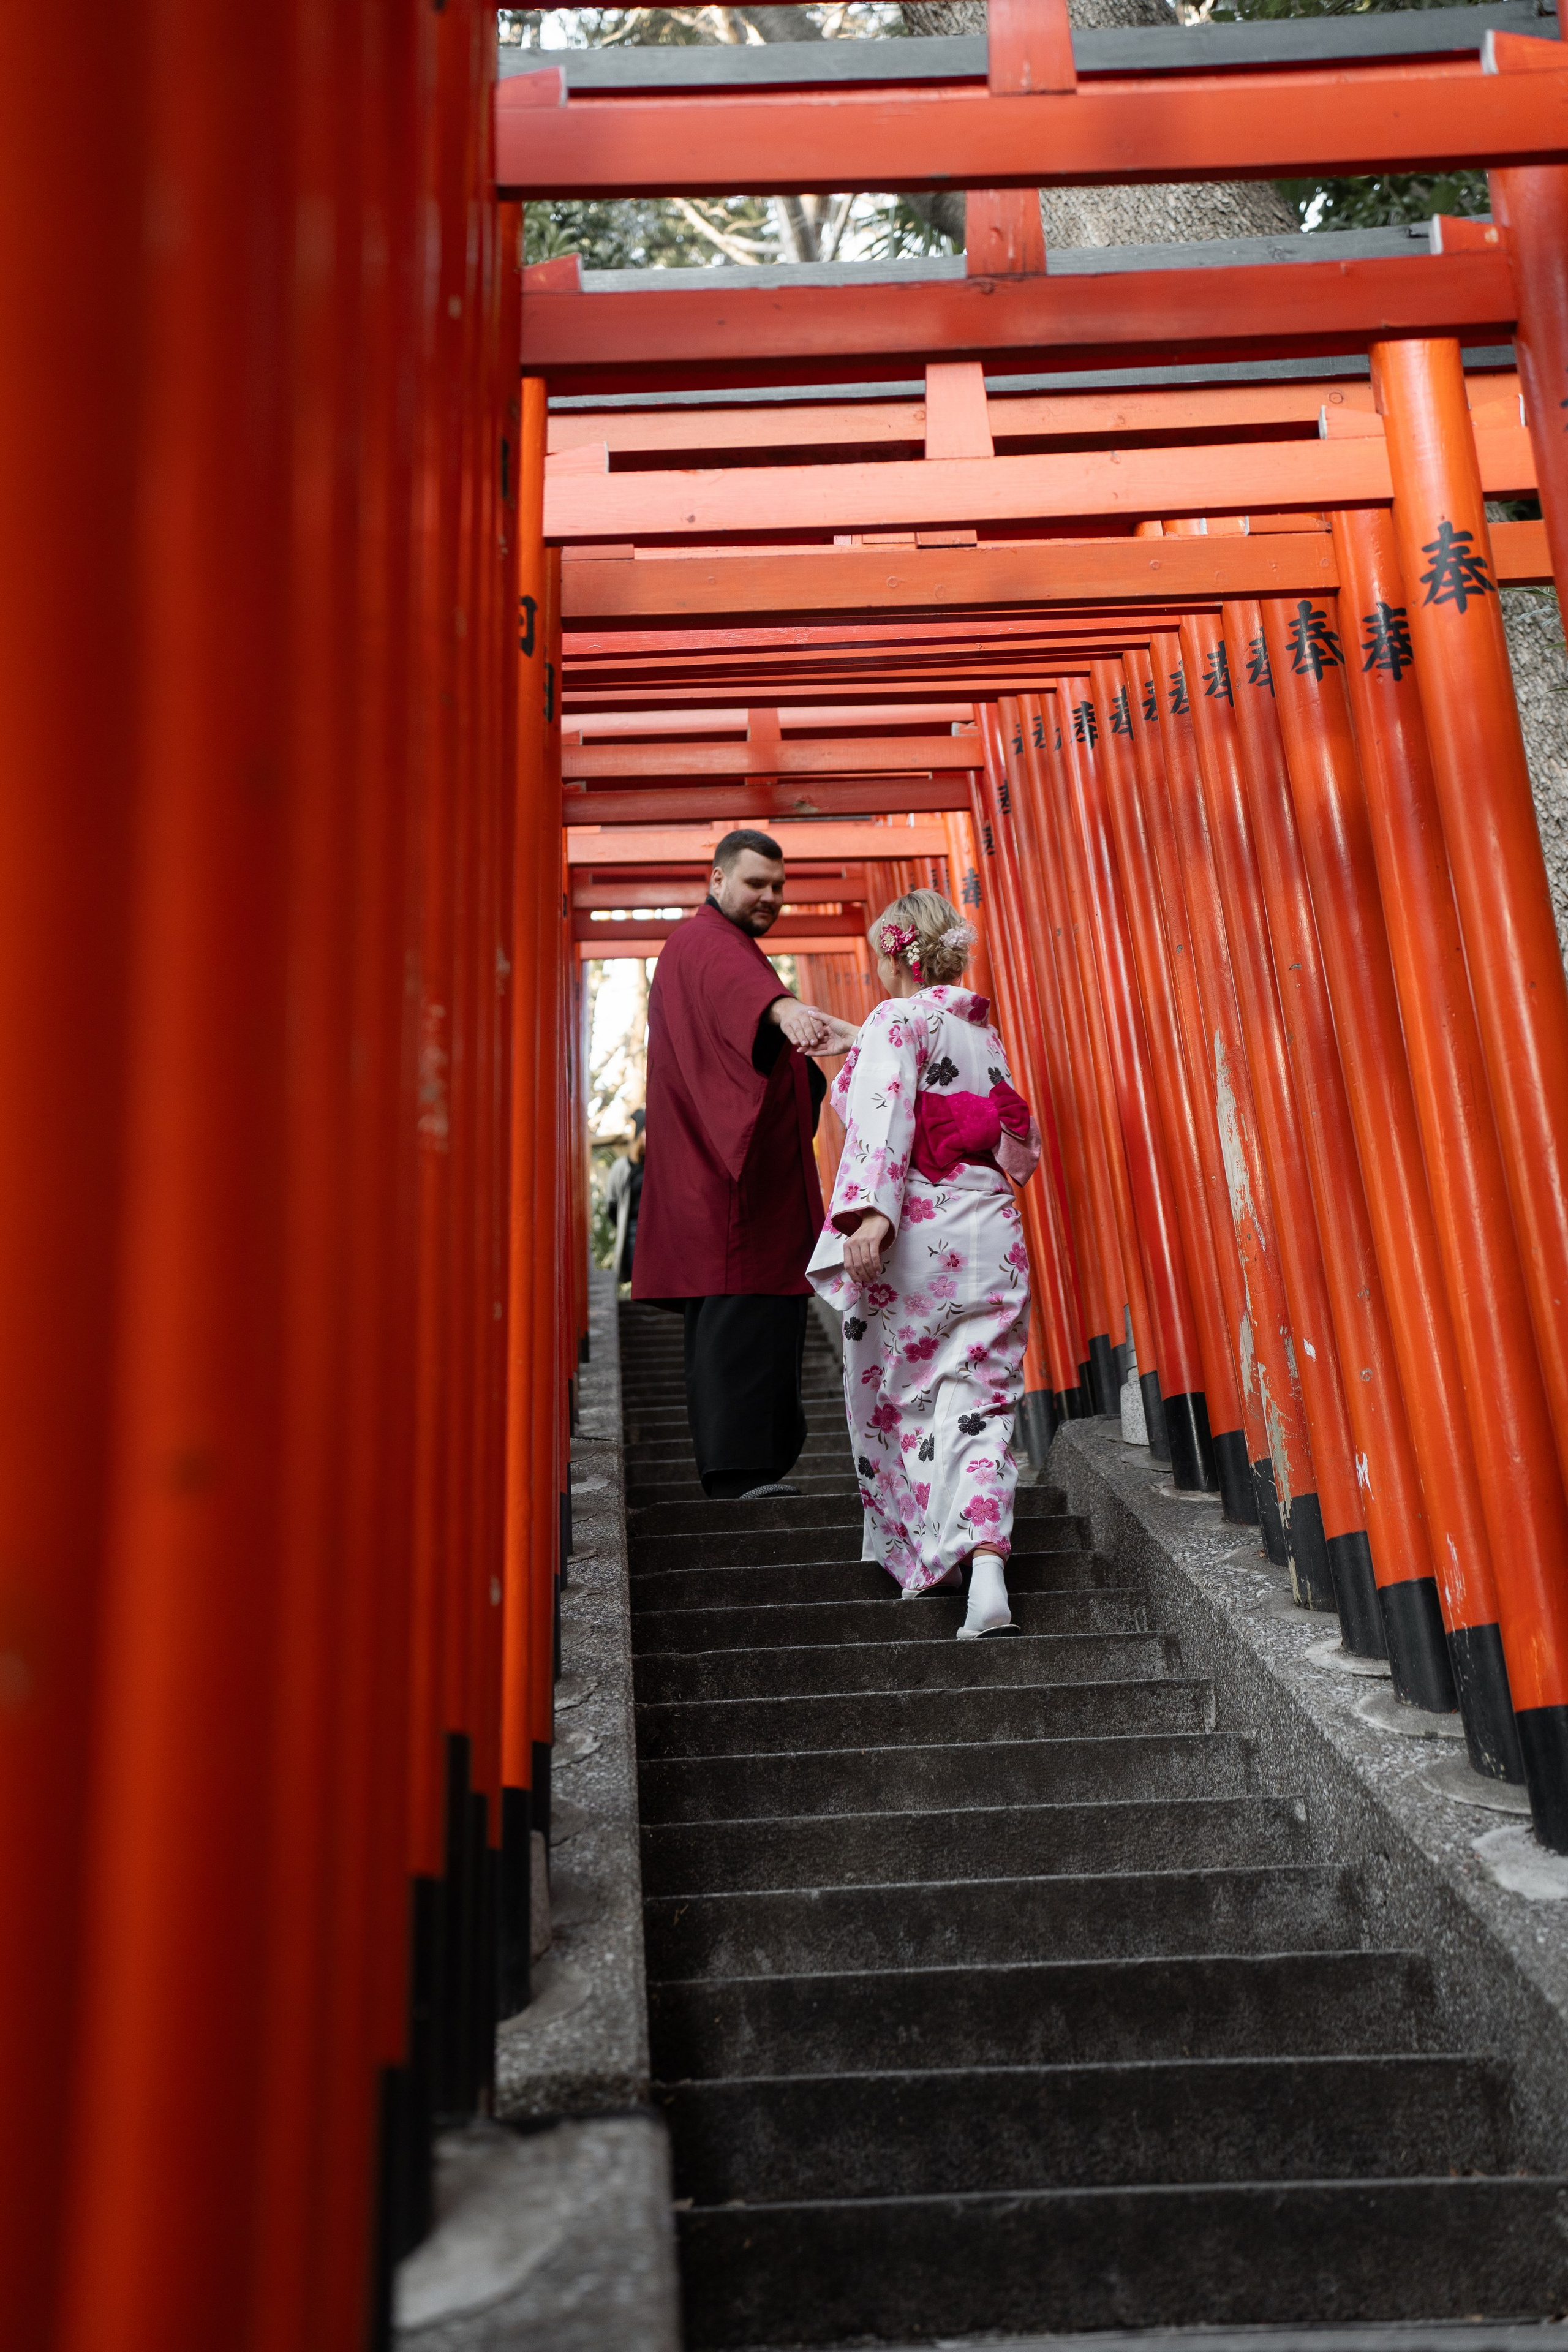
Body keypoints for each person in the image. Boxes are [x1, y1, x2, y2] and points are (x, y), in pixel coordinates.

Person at [808, 889, 1040, 1637]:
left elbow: (882, 1114)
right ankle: (988, 1571)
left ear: (890, 953)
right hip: (991, 1229)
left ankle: (929, 1555)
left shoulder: (893, 1021)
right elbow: (1016, 1146)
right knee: (981, 1398)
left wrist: (869, 1216)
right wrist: (861, 1037)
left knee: (905, 1399)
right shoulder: (984, 1033)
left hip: (920, 1232)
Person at [633, 829, 858, 1500]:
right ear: (716, 880)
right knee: (740, 1319)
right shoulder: (704, 942)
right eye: (756, 883)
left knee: (753, 1321)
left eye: (778, 887)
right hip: (726, 1185)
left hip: (744, 1182)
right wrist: (783, 1008)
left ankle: (752, 1470)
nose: (769, 897)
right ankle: (740, 1474)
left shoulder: (725, 945)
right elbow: (742, 996)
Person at [604, 1109, 644, 1286]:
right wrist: (622, 1224)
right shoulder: (622, 1167)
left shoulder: (659, 1165)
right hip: (632, 1229)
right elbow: (611, 1203)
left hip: (656, 1229)